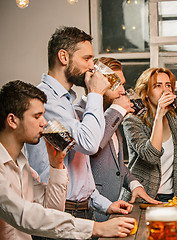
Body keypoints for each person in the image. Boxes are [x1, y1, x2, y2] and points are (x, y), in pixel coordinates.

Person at [0, 80, 135, 239]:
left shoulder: (22, 166)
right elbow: (24, 215)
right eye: (37, 116)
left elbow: (52, 210)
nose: (44, 122)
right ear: (12, 120)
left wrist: (57, 166)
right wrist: (96, 228)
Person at [24, 26, 133, 221]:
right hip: (57, 213)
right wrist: (95, 94)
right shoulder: (44, 100)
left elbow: (79, 167)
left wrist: (105, 205)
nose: (92, 66)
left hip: (81, 210)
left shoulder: (67, 101)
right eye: (87, 58)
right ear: (64, 57)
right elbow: (89, 144)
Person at [74, 57, 160, 221]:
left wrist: (134, 184)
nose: (122, 91)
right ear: (98, 83)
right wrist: (117, 110)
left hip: (111, 209)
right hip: (88, 213)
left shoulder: (112, 115)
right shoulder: (77, 113)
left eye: (123, 83)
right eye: (116, 84)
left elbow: (116, 165)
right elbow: (93, 146)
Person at [120, 68, 177, 203]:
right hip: (139, 199)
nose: (165, 90)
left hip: (172, 198)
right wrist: (159, 116)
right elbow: (151, 156)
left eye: (168, 85)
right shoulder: (132, 121)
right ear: (146, 92)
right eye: (158, 86)